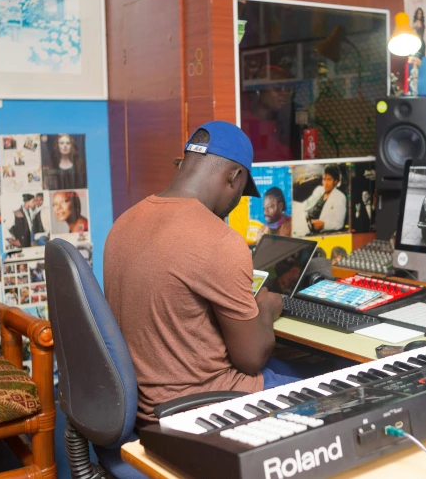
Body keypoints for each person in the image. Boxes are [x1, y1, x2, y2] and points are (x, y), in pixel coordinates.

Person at [104, 121, 300, 425]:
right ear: (234, 178)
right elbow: (251, 359)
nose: (236, 203)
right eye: (241, 193)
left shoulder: (123, 222)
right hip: (200, 410)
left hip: (139, 409)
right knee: (331, 390)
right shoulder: (219, 240)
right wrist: (266, 307)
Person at [239, 66, 294, 162]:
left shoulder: (285, 123)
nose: (284, 93)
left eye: (287, 88)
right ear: (259, 89)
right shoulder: (243, 124)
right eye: (278, 87)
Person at [305, 164, 347, 234]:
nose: (325, 183)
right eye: (324, 179)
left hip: (321, 235)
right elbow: (306, 205)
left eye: (329, 180)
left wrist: (323, 224)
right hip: (306, 228)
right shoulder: (318, 190)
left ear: (335, 181)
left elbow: (339, 224)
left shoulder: (340, 197)